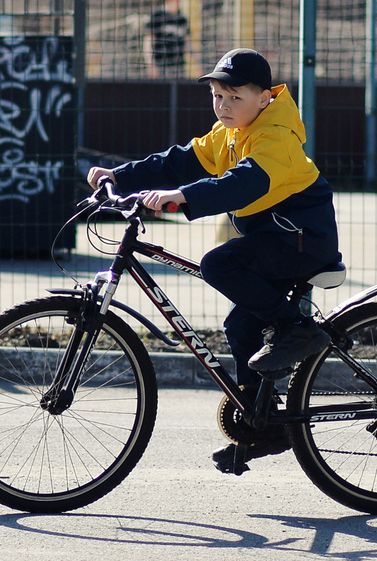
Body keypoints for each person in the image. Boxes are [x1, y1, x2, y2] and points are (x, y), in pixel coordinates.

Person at [84, 48, 341, 475]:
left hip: (302, 242)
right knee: (241, 325)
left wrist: (184, 196)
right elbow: (180, 159)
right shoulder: (231, 132)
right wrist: (120, 176)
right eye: (217, 95)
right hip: (274, 240)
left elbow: (244, 183)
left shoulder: (275, 135)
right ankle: (266, 423)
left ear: (264, 97)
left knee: (220, 264)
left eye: (234, 96)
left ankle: (298, 330)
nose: (222, 105)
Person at [145, 0, 191, 77]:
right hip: (161, 65)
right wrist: (150, 64)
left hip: (179, 67)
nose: (179, 1)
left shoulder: (182, 19)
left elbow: (188, 43)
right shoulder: (157, 16)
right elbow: (148, 42)